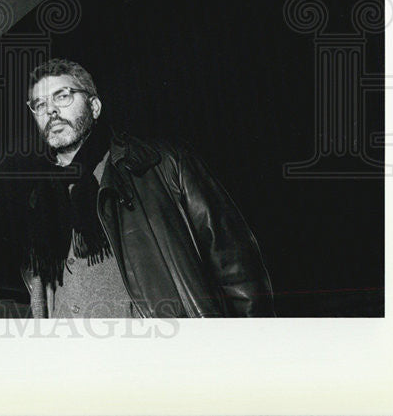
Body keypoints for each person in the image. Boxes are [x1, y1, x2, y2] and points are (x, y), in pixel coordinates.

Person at [23, 58, 274, 318]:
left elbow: (236, 269)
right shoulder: (40, 199)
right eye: (40, 105)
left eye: (62, 96)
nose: (50, 111)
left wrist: (250, 346)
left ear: (94, 106)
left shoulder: (159, 165)